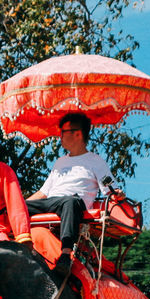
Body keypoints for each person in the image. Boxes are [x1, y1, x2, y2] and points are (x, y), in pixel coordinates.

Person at [26, 112, 117, 262]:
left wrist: (116, 194)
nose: (59, 136)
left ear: (78, 134)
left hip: (74, 203)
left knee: (69, 201)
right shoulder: (60, 162)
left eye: (63, 132)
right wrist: (20, 205)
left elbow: (110, 188)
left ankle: (66, 253)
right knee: (15, 207)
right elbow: (43, 192)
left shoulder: (96, 161)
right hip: (52, 202)